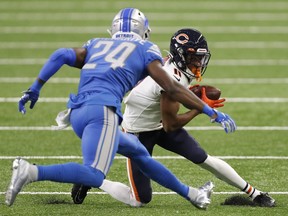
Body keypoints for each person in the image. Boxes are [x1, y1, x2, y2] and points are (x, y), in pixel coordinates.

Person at [6, 8, 236, 209]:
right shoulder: (146, 48)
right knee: (94, 173)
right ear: (144, 30)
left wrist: (35, 88)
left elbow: (61, 54)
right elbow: (171, 88)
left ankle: (194, 195)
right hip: (101, 113)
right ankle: (31, 172)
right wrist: (210, 111)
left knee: (139, 153)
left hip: (77, 112)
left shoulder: (96, 43)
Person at [71, 28, 275, 207]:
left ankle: (254, 193)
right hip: (139, 133)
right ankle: (93, 180)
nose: (198, 62)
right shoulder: (170, 78)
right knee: (140, 200)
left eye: (200, 57)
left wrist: (199, 103)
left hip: (158, 121)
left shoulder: (175, 67)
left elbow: (176, 102)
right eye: (193, 57)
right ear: (180, 55)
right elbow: (171, 124)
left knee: (203, 158)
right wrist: (200, 109)